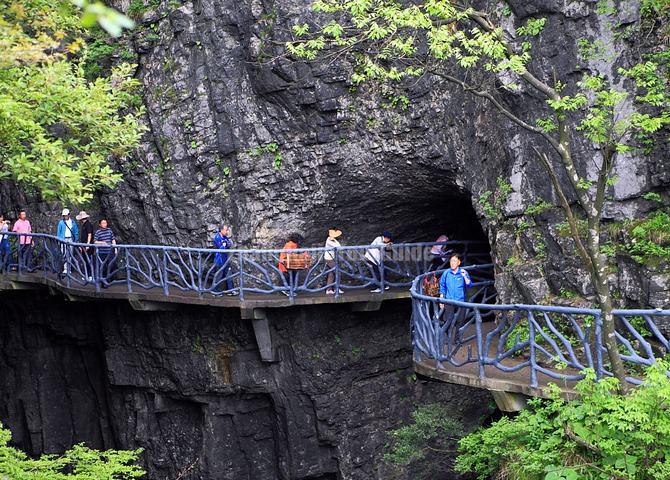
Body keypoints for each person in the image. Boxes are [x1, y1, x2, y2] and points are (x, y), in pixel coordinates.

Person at [439, 253, 472, 328]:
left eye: (454, 261)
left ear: (459, 262)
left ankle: (457, 339)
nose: (452, 263)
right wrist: (441, 300)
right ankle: (448, 338)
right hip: (449, 301)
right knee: (447, 322)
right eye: (451, 261)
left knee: (460, 323)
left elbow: (469, 285)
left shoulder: (463, 272)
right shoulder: (446, 273)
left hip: (460, 301)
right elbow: (442, 287)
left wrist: (464, 277)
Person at [212, 225, 237, 296]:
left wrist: (225, 244)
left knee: (229, 274)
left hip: (225, 259)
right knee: (218, 276)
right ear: (221, 230)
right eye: (226, 230)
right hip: (219, 259)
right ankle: (215, 291)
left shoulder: (225, 237)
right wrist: (225, 245)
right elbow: (221, 248)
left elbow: (229, 244)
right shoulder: (217, 237)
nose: (227, 232)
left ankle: (230, 290)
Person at [93, 219, 116, 287]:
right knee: (102, 267)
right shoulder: (98, 232)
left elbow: (113, 239)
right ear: (100, 224)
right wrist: (102, 242)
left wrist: (115, 247)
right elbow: (95, 241)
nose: (104, 224)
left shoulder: (109, 231)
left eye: (105, 223)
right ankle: (103, 282)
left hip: (109, 252)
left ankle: (108, 281)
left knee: (110, 266)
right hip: (101, 252)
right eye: (103, 223)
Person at [56, 208, 78, 275]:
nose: (65, 216)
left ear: (69, 215)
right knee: (64, 253)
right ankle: (65, 269)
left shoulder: (73, 222)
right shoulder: (61, 222)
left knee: (70, 254)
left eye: (66, 215)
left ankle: (69, 269)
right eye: (64, 215)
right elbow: (58, 232)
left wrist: (76, 240)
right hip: (63, 239)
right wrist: (59, 240)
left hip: (70, 239)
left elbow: (76, 232)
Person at [324, 228, 344, 295]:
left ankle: (329, 290)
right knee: (338, 272)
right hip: (329, 259)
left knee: (331, 274)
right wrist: (334, 240)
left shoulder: (333, 239)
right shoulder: (329, 240)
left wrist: (334, 239)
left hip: (331, 258)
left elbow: (339, 245)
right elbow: (338, 246)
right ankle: (336, 288)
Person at [77, 211, 94, 281]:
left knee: (88, 260)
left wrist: (88, 244)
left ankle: (90, 275)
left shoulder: (88, 224)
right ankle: (87, 275)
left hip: (87, 246)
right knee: (85, 260)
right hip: (84, 246)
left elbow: (89, 234)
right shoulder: (84, 224)